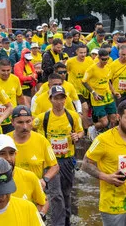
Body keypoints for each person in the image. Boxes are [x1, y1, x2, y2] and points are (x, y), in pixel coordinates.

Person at [33, 86, 84, 226]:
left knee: (66, 194)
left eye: (62, 98)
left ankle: (66, 221)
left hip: (67, 160)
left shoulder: (72, 116)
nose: (59, 101)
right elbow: (29, 126)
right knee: (56, 195)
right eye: (56, 98)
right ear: (50, 99)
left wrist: (77, 136)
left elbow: (81, 132)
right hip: (50, 162)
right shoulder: (44, 117)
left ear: (65, 99)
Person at [82, 100, 126, 226]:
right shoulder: (103, 139)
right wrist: (106, 177)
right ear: (119, 117)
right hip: (113, 206)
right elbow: (86, 164)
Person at [82, 48, 118, 140]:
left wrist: (114, 91)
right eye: (103, 59)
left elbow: (108, 80)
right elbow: (84, 81)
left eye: (107, 59)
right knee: (104, 122)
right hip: (98, 97)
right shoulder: (92, 69)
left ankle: (110, 137)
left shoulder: (108, 67)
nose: (105, 61)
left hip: (108, 95)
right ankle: (92, 128)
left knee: (114, 119)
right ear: (98, 58)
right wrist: (93, 93)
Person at [0, 59, 25, 134]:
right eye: (3, 70)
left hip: (12, 119)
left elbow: (20, 96)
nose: (6, 73)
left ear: (11, 69)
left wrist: (23, 111)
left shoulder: (15, 79)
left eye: (8, 70)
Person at [66, 45, 94, 131]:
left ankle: (79, 126)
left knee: (87, 108)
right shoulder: (70, 62)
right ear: (77, 52)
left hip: (86, 89)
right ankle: (85, 130)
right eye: (81, 52)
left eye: (85, 52)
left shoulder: (89, 60)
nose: (83, 55)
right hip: (75, 89)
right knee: (84, 107)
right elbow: (65, 71)